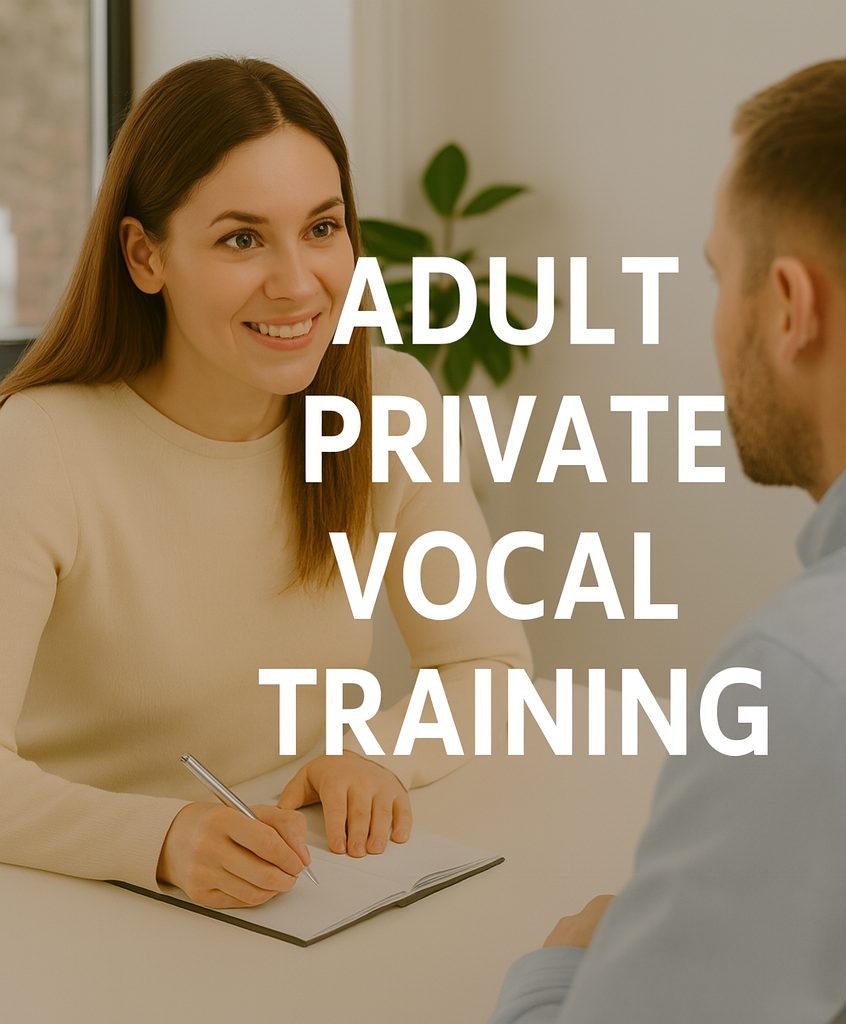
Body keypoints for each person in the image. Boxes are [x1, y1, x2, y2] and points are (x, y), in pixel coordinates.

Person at [488, 48, 846, 1023]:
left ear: (788, 307)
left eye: (715, 278)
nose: (712, 323)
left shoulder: (816, 678)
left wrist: (559, 970)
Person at [0, 57, 530, 910]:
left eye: (322, 229)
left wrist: (374, 754)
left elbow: (483, 662)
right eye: (242, 238)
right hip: (79, 900)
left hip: (292, 877)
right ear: (144, 255)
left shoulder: (388, 402)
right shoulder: (41, 445)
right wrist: (161, 836)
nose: (297, 282)